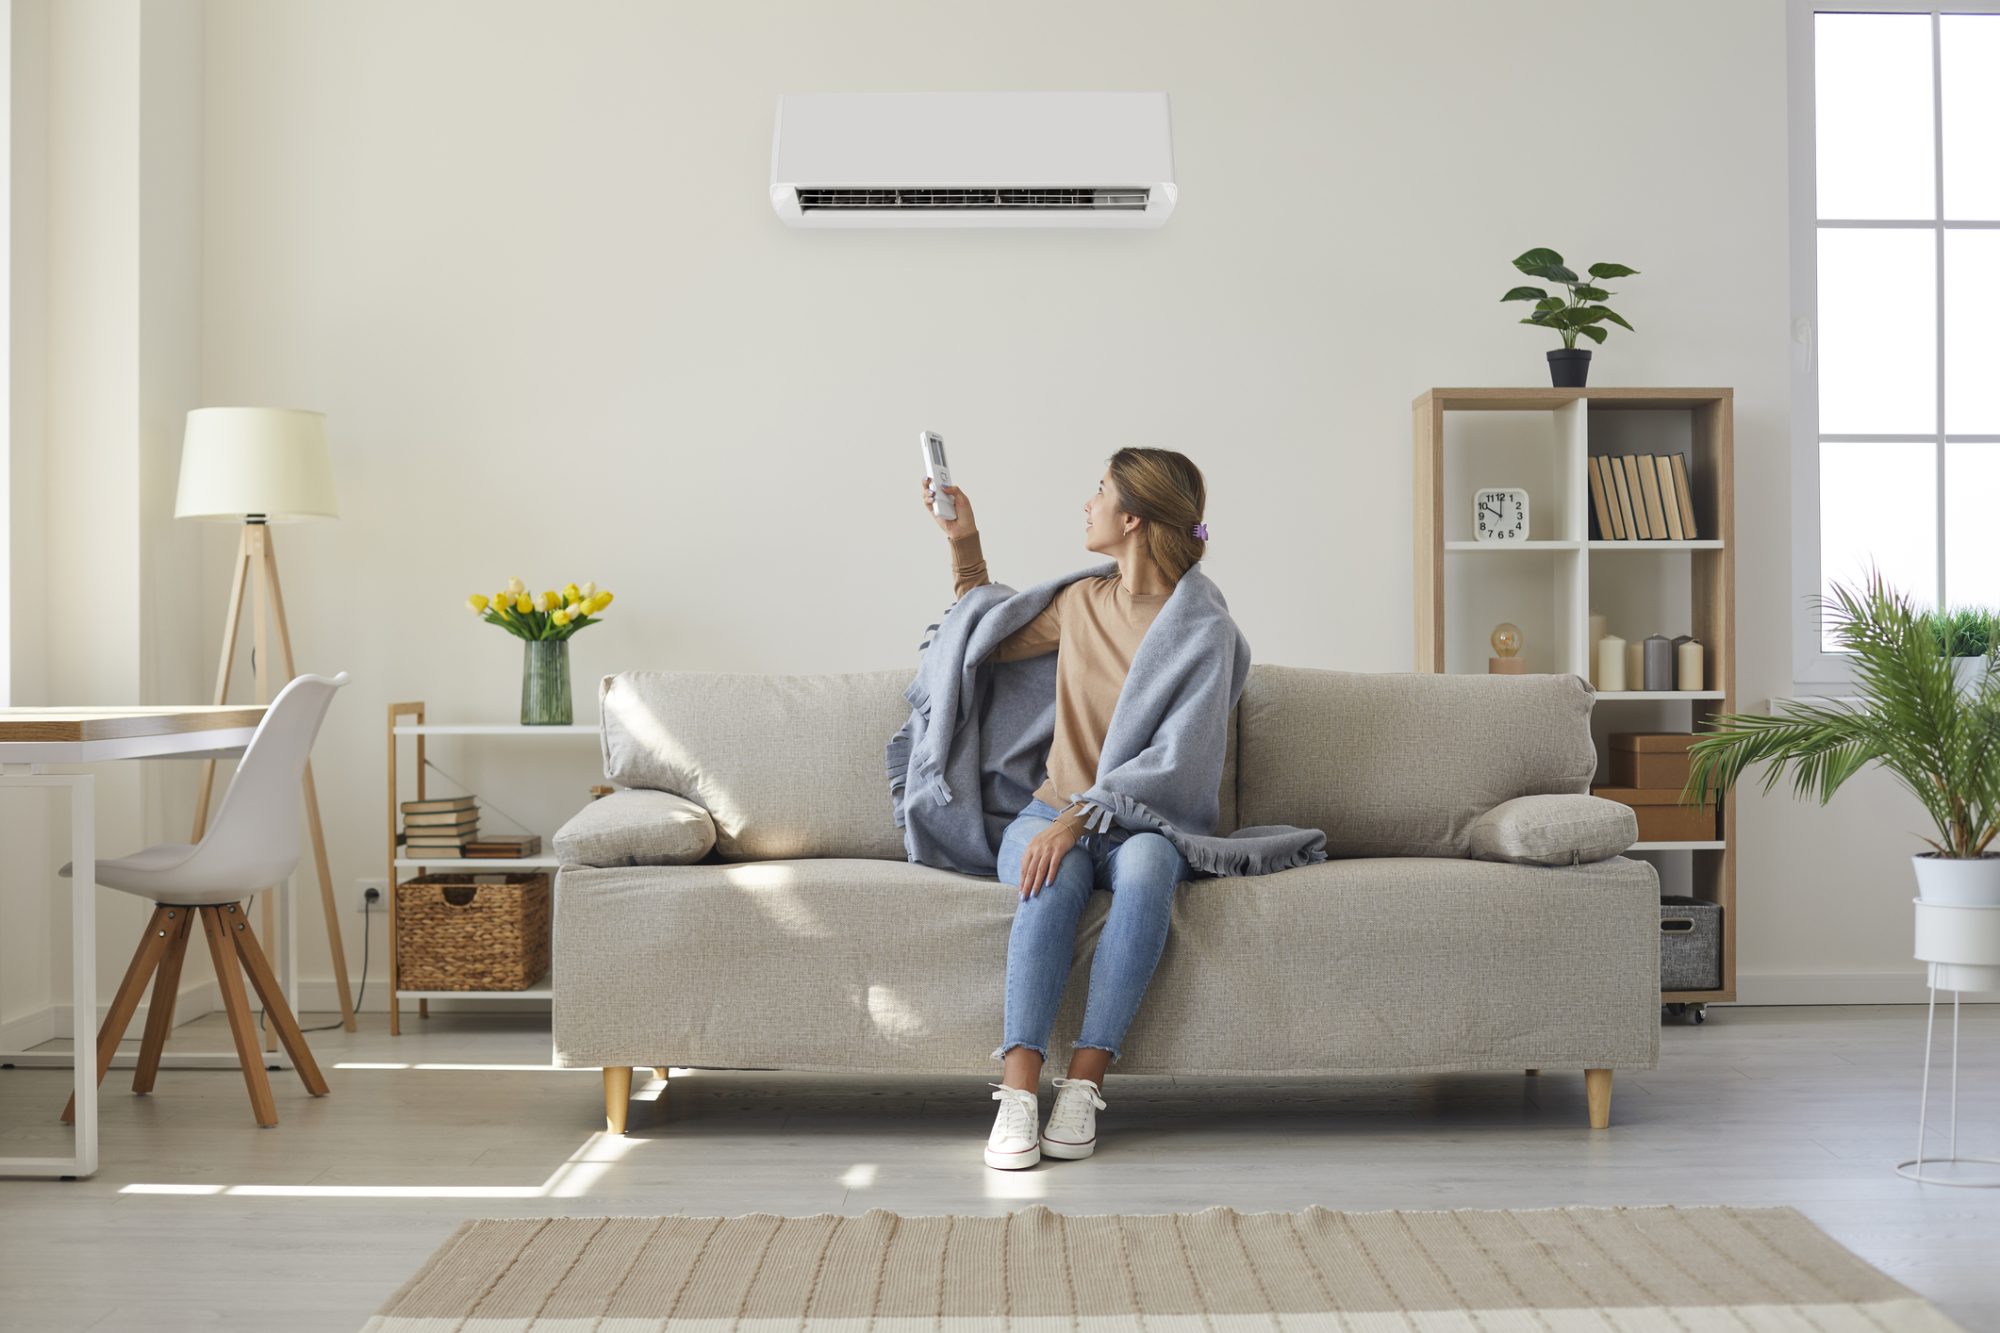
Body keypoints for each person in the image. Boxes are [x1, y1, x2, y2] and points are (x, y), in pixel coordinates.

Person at [918, 448, 1213, 1170]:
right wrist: (963, 541)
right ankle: (1018, 1090)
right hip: (1046, 814)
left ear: (1133, 519)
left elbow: (1179, 760)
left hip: (1143, 821)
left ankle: (1084, 1083)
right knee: (1056, 873)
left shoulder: (1204, 629)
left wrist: (1079, 818)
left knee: (1146, 867)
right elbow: (980, 636)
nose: (1088, 504)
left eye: (1100, 491)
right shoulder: (1083, 603)